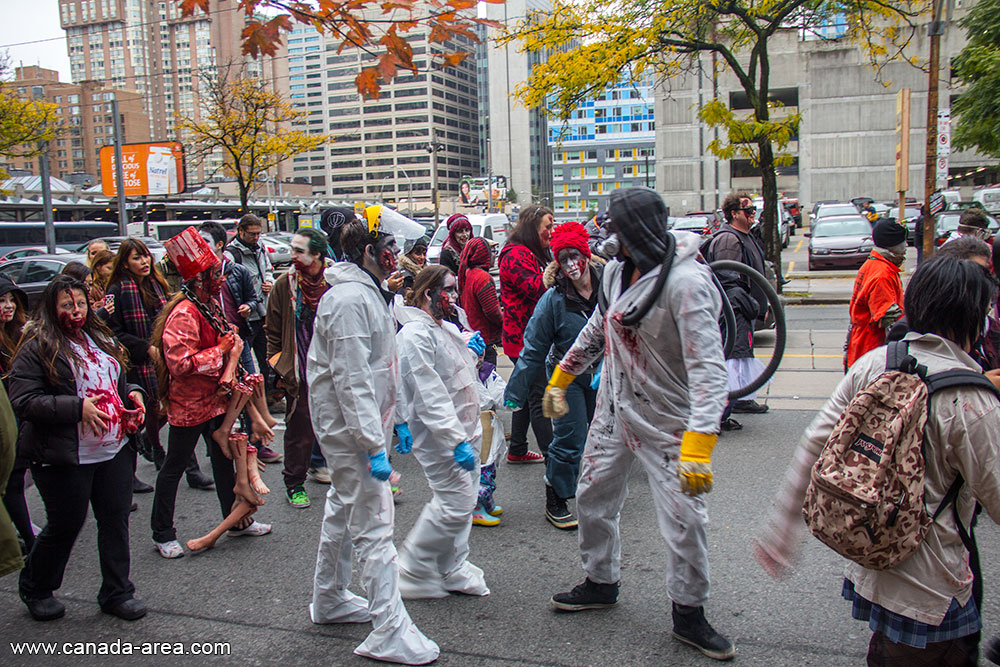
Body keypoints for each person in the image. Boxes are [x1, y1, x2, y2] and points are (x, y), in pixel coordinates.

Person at [755, 254, 1000, 665]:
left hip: (869, 556)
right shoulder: (971, 401)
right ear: (974, 319)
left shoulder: (876, 363)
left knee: (886, 652)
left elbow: (815, 441)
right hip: (933, 586)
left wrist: (782, 530)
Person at [546, 187, 734, 661]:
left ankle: (689, 612)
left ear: (640, 231)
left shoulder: (687, 284)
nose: (610, 238)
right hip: (614, 410)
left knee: (685, 520)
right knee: (592, 496)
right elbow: (598, 329)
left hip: (671, 423)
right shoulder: (613, 273)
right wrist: (562, 377)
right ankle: (600, 580)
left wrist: (699, 444)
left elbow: (710, 372)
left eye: (619, 229)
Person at [307, 217, 438, 665]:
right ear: (367, 251)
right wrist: (371, 444)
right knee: (375, 524)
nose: (395, 255)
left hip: (359, 428)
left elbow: (382, 366)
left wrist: (396, 420)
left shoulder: (366, 293)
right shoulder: (349, 299)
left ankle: (329, 597)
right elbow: (352, 379)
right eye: (389, 247)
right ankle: (389, 629)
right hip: (350, 431)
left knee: (344, 510)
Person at [9, 275, 147, 621]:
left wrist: (134, 394)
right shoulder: (37, 346)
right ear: (51, 308)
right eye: (67, 305)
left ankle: (117, 592)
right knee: (66, 524)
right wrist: (76, 408)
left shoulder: (100, 337)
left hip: (113, 449)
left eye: (81, 303)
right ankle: (36, 587)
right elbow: (24, 400)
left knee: (115, 520)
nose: (76, 311)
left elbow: (118, 378)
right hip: (64, 454)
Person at [150, 230, 271, 559]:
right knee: (174, 467)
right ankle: (162, 532)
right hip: (189, 406)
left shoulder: (209, 304)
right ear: (199, 279)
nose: (222, 278)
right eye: (215, 273)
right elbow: (180, 364)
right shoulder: (184, 313)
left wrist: (231, 343)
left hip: (217, 401)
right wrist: (221, 350)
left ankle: (237, 521)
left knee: (223, 462)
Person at [394, 265, 489, 599]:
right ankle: (412, 568)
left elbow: (457, 372)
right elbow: (430, 395)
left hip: (464, 430)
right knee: (454, 501)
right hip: (441, 437)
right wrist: (454, 439)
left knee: (464, 500)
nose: (453, 297)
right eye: (448, 290)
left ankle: (452, 566)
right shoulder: (414, 336)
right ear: (427, 293)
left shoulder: (442, 328)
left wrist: (472, 351)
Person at [506, 221, 602, 530]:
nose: (571, 264)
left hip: (603, 374)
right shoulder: (553, 299)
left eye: (575, 256)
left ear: (586, 255)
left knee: (605, 437)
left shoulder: (609, 287)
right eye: (563, 259)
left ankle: (597, 492)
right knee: (569, 438)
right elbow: (533, 347)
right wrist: (516, 392)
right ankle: (556, 497)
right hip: (564, 378)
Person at [105, 239, 213, 493]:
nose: (143, 262)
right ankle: (151, 454)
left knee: (170, 409)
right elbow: (113, 331)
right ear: (124, 263)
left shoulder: (156, 283)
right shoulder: (118, 289)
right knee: (147, 412)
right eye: (136, 258)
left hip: (163, 356)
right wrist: (145, 348)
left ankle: (187, 467)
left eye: (145, 256)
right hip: (136, 363)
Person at [199, 222, 280, 465]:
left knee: (249, 384)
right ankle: (217, 445)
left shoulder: (236, 271)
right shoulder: (197, 275)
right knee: (217, 394)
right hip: (211, 343)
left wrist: (248, 307)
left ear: (219, 245)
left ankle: (257, 443)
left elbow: (252, 298)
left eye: (205, 242)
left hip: (238, 337)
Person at [265, 227, 331, 510]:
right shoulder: (285, 285)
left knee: (337, 427)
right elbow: (272, 330)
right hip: (299, 369)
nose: (292, 255)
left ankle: (343, 477)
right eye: (292, 249)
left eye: (298, 250)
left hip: (331, 368)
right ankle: (294, 484)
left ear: (317, 254)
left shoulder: (335, 281)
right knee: (299, 430)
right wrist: (277, 367)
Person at [707, 193, 770, 430]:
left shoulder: (745, 237)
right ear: (734, 213)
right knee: (732, 359)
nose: (753, 214)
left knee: (740, 357)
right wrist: (749, 305)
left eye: (754, 210)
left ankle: (739, 400)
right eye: (748, 210)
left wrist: (760, 306)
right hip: (734, 312)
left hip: (743, 309)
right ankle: (719, 414)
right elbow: (727, 280)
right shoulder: (728, 240)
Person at [499, 205, 555, 464]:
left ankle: (518, 448)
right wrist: (557, 268)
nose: (551, 232)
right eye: (548, 227)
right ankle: (553, 458)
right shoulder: (516, 254)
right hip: (523, 339)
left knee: (524, 390)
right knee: (538, 396)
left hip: (529, 336)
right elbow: (535, 288)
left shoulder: (529, 251)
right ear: (533, 228)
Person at [225, 214, 275, 409]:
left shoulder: (260, 247)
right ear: (241, 231)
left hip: (262, 313)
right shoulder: (232, 254)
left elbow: (268, 269)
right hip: (245, 318)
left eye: (258, 234)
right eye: (252, 234)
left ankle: (269, 398)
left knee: (267, 360)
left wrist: (269, 281)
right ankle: (251, 404)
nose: (256, 237)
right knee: (247, 367)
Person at [0, 276, 34, 554]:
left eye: (11, 300)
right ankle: (28, 540)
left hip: (20, 417)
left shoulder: (19, 334)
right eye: (1, 300)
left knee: (16, 478)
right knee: (11, 480)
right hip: (6, 422)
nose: (8, 306)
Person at [845, 219, 906, 370]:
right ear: (892, 245)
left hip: (861, 344)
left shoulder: (873, 264)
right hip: (873, 349)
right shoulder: (883, 275)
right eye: (902, 242)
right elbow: (889, 321)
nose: (906, 246)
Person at [459, 237, 502, 365]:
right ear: (484, 255)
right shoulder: (483, 278)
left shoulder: (467, 273)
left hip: (472, 336)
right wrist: (506, 318)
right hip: (484, 341)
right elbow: (492, 312)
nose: (494, 255)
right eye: (492, 251)